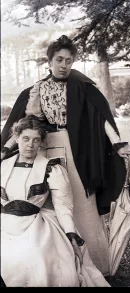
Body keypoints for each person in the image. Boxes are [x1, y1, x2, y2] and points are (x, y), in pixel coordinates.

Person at [1, 35, 130, 276]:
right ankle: (52, 263)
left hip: (75, 151)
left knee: (81, 202)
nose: (64, 65)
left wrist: (118, 145)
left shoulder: (82, 87)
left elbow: (102, 119)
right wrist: (7, 148)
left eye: (69, 60)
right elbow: (25, 124)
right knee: (48, 204)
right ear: (49, 60)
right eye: (59, 59)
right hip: (43, 149)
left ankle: (95, 263)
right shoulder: (37, 89)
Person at [1, 116, 110, 287]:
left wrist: (70, 233)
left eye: (36, 140)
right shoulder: (3, 166)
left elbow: (63, 205)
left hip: (34, 226)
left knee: (35, 256)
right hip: (5, 225)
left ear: (41, 143)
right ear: (17, 138)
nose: (30, 144)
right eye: (26, 139)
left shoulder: (51, 168)